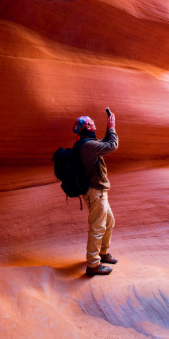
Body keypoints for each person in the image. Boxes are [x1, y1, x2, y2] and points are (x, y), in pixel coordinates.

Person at [73, 111, 118, 276]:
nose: (94, 124)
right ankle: (93, 264)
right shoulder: (88, 146)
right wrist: (112, 128)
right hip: (95, 192)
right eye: (92, 122)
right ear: (87, 126)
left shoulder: (86, 143)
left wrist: (108, 127)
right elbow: (111, 146)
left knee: (108, 222)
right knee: (98, 226)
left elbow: (103, 144)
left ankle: (102, 253)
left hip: (98, 191)